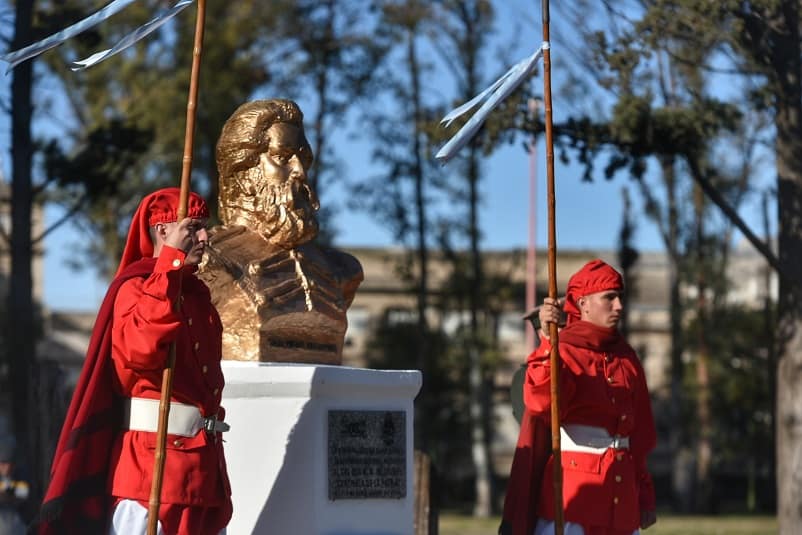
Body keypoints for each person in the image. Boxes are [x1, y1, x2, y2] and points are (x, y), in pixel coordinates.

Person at [36, 188, 232, 535]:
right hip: (149, 476)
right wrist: (169, 264)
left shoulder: (200, 300)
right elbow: (141, 351)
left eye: (206, 227)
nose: (204, 237)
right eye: (194, 227)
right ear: (162, 231)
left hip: (204, 476)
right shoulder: (135, 289)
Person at [199, 99, 363, 364]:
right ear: (244, 172)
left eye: (303, 160)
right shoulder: (210, 260)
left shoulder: (342, 270)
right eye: (282, 157)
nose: (299, 171)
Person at [500, 259, 657, 535]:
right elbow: (540, 403)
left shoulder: (627, 358)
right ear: (583, 303)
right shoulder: (564, 351)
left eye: (620, 297)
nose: (619, 306)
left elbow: (639, 436)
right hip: (571, 505)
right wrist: (549, 343)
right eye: (609, 298)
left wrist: (644, 493)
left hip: (621, 504)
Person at [0, 437, 28, 535]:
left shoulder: (20, 474)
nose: (7, 468)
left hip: (18, 527)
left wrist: (4, 488)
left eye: (10, 464)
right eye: (3, 464)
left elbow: (23, 491)